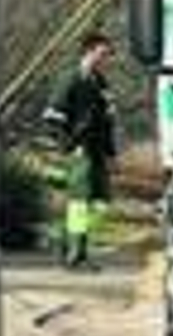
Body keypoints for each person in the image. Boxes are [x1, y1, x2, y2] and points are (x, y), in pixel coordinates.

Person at [43, 32, 119, 271]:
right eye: (103, 53)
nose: (107, 59)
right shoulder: (71, 79)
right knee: (79, 203)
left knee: (100, 204)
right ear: (89, 52)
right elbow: (52, 115)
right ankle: (76, 255)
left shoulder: (100, 81)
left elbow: (107, 120)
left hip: (97, 152)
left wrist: (111, 153)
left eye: (108, 55)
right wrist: (67, 145)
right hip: (80, 152)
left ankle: (63, 240)